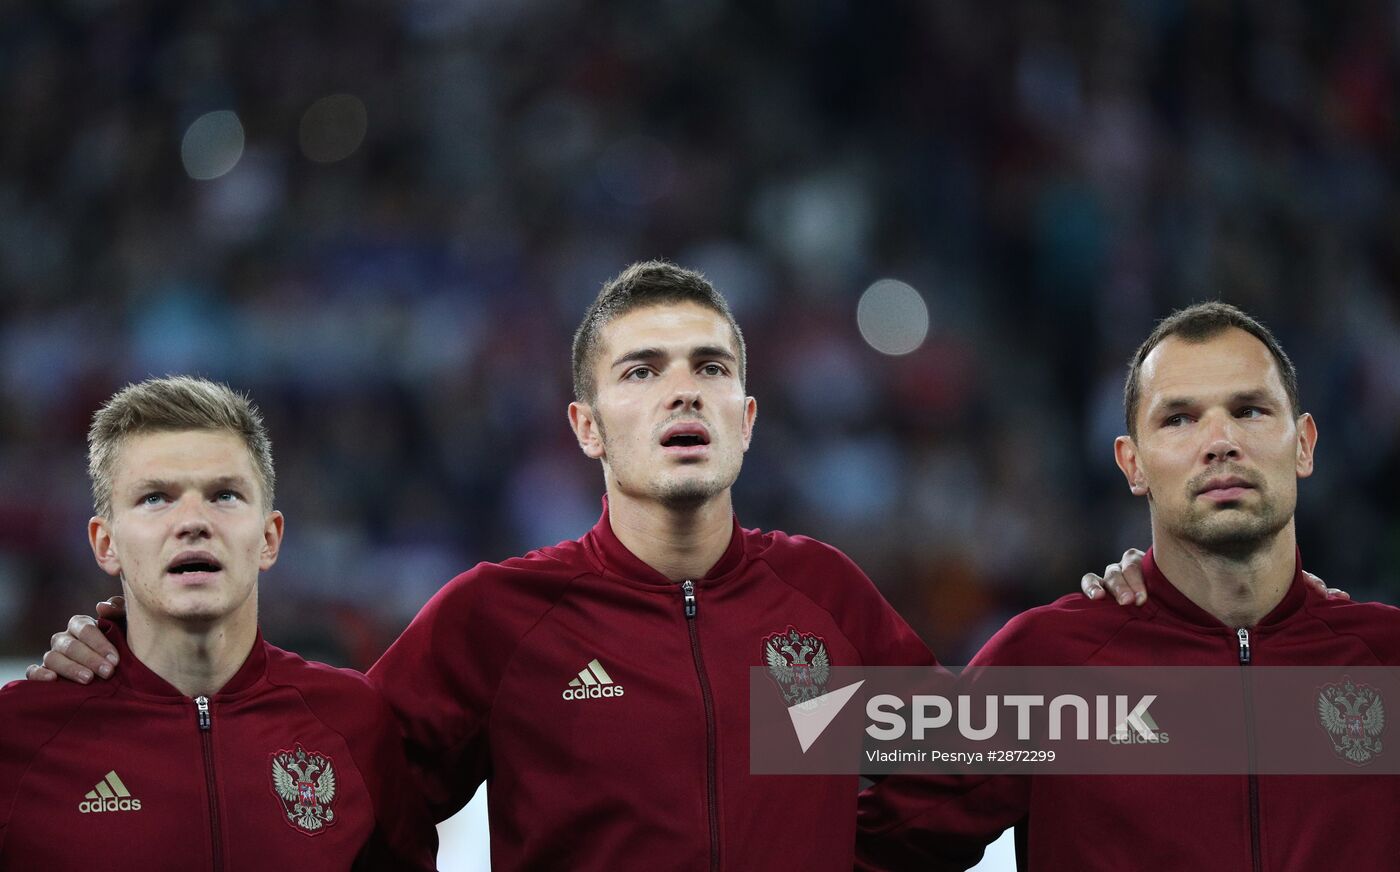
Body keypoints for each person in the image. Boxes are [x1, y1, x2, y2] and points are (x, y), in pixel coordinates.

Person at [31, 262, 1151, 868]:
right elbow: (331, 792)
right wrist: (128, 660)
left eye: (709, 367)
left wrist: (1118, 624)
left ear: (747, 416)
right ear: (583, 423)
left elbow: (956, 776)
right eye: (641, 370)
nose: (680, 390)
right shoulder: (501, 618)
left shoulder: (820, 596)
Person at [857, 302, 1400, 870]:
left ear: (1305, 444)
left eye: (1250, 410)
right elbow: (867, 845)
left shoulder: (1384, 658)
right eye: (1179, 419)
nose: (1220, 442)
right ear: (1132, 464)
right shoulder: (1051, 668)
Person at [0, 377, 436, 870]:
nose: (193, 521)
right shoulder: (17, 736)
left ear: (269, 538)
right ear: (106, 544)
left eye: (224, 495)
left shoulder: (354, 725)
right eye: (155, 498)